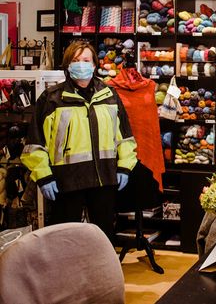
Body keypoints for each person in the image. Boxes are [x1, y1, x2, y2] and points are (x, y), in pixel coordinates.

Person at [21, 42, 137, 240]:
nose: (81, 65)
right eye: (75, 61)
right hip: (66, 183)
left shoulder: (109, 95)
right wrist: (43, 176)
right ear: (67, 65)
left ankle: (101, 272)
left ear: (94, 65)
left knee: (103, 239)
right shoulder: (52, 99)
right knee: (65, 239)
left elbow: (124, 136)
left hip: (104, 180)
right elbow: (35, 143)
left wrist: (125, 167)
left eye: (85, 60)